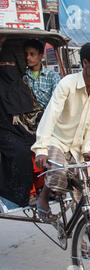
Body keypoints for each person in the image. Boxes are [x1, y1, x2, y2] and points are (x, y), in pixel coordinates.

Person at [31, 43, 90, 221]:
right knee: (58, 172)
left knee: (83, 190)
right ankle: (43, 196)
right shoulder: (67, 84)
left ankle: (82, 232)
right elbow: (50, 115)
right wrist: (41, 148)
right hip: (57, 140)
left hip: (78, 145)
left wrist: (88, 148)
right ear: (85, 63)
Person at [0, 41, 42, 209]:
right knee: (20, 151)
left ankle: (45, 188)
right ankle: (23, 194)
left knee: (42, 146)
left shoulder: (22, 84)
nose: (7, 67)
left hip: (23, 129)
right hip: (4, 130)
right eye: (3, 64)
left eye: (11, 63)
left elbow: (32, 111)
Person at [23, 39, 60, 110]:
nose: (28, 57)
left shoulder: (53, 77)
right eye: (26, 54)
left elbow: (56, 102)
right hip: (29, 118)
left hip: (48, 116)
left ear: (40, 56)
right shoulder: (24, 76)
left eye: (32, 54)